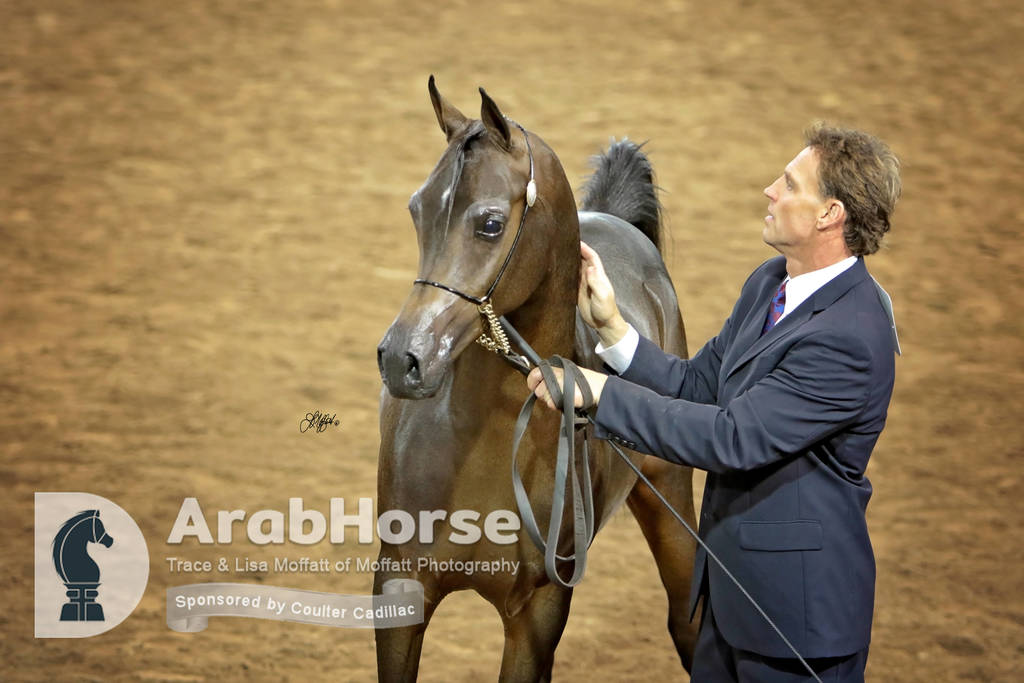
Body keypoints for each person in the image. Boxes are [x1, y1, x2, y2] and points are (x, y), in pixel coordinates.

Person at [528, 123, 901, 682]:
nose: (770, 191)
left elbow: (732, 438)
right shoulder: (770, 283)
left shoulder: (849, 335)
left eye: (790, 184)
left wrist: (598, 394)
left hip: (793, 626)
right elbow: (700, 385)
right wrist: (613, 330)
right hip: (728, 601)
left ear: (830, 214)